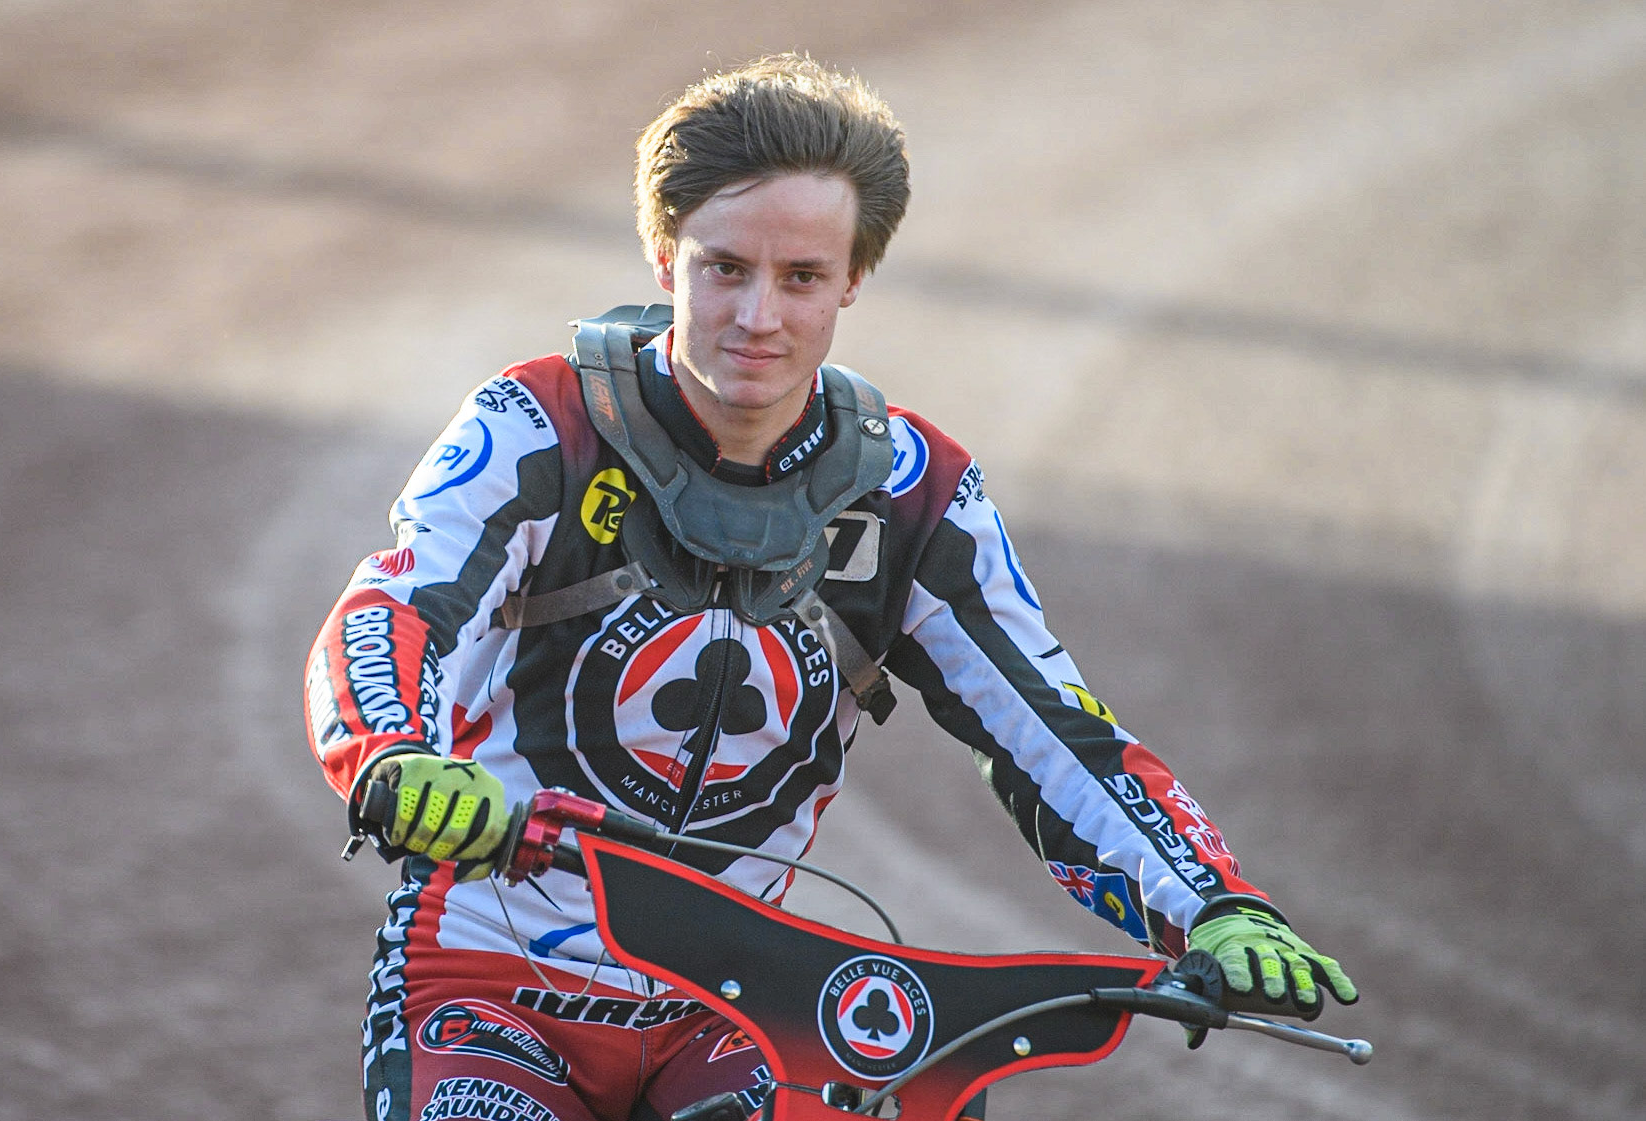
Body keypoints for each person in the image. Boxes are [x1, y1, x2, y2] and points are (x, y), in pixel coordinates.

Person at [304, 53, 1356, 1121]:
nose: (758, 315)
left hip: (748, 1005)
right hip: (488, 984)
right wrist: (394, 754)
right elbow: (393, 610)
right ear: (664, 253)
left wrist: (1212, 904)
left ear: (855, 276)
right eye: (724, 268)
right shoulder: (537, 427)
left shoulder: (916, 494)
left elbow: (1052, 734)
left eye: (802, 276)